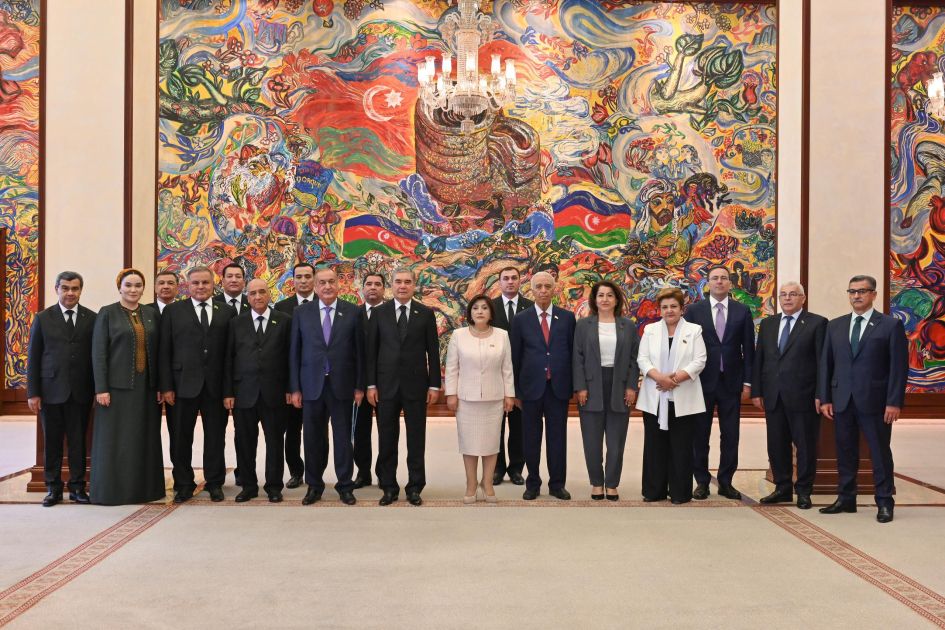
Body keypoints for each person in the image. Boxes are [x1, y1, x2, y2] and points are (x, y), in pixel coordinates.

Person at [819, 275, 908, 524]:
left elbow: (899, 368)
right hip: (842, 400)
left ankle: (884, 502)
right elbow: (826, 365)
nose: (856, 296)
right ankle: (846, 498)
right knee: (845, 452)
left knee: (879, 453)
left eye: (862, 291)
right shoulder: (835, 325)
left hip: (876, 402)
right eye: (852, 291)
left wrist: (894, 402)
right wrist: (825, 398)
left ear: (874, 295)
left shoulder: (890, 325)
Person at [159, 266, 236, 503]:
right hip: (181, 386)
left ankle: (215, 482)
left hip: (215, 387)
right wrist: (166, 386)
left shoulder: (227, 311)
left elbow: (230, 355)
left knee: (215, 437)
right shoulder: (173, 311)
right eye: (196, 283)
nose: (201, 287)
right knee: (180, 437)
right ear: (187, 285)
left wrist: (229, 390)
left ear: (213, 284)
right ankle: (183, 483)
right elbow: (164, 350)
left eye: (205, 282)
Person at [366, 268, 441, 506]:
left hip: (416, 386)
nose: (402, 285)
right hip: (385, 386)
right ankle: (388, 487)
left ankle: (415, 487)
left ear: (414, 285)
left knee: (416, 439)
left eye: (407, 282)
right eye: (398, 281)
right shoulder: (379, 313)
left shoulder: (425, 313)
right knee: (387, 438)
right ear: (392, 285)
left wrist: (435, 385)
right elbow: (371, 352)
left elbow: (433, 352)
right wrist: (371, 384)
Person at [290, 267, 364, 506]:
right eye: (322, 282)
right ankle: (314, 486)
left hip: (342, 386)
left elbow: (360, 353)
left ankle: (345, 486)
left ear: (339, 284)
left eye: (331, 281)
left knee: (343, 439)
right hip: (311, 386)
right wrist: (295, 388)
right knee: (312, 439)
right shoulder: (301, 312)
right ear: (315, 286)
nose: (327, 286)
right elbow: (294, 352)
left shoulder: (353, 312)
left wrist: (359, 386)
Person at [90, 269, 165, 505]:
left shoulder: (151, 313)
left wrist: (160, 385)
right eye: (128, 285)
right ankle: (113, 492)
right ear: (119, 287)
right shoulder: (107, 313)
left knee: (143, 438)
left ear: (144, 288)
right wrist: (101, 388)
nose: (133, 290)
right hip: (116, 390)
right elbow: (99, 353)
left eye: (138, 285)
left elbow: (160, 352)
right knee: (116, 442)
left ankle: (145, 490)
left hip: (146, 389)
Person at [751, 282, 827, 509]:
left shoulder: (817, 323)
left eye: (793, 294)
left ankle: (803, 491)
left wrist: (821, 394)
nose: (787, 298)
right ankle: (782, 488)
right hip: (773, 395)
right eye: (783, 294)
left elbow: (823, 362)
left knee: (805, 446)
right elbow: (760, 359)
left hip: (804, 396)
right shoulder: (768, 324)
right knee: (776, 445)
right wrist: (757, 391)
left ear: (803, 298)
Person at [26, 271, 96, 507]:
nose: (70, 293)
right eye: (65, 288)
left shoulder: (92, 318)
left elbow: (96, 357)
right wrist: (33, 392)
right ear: (56, 289)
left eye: (75, 288)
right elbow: (34, 357)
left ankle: (77, 487)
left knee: (78, 442)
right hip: (50, 391)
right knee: (53, 443)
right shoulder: (43, 318)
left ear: (80, 290)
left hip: (81, 391)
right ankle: (53, 488)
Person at [685, 264, 754, 500]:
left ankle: (726, 481)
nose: (719, 282)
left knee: (731, 435)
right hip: (701, 381)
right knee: (699, 435)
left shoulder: (742, 310)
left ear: (730, 282)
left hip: (731, 383)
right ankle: (701, 482)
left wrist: (748, 382)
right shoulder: (694, 311)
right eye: (715, 278)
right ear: (708, 283)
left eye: (724, 278)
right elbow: (686, 347)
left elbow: (749, 349)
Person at [636, 287, 707, 504]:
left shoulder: (694, 330)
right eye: (665, 307)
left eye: (673, 306)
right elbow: (642, 359)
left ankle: (679, 492)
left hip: (683, 395)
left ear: (682, 309)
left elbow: (700, 360)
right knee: (654, 445)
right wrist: (660, 378)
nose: (669, 310)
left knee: (681, 446)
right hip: (655, 396)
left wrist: (674, 380)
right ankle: (654, 490)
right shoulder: (650, 330)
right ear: (660, 310)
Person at [510, 271, 576, 501]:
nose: (543, 290)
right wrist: (515, 391)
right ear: (531, 290)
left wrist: (574, 386)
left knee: (557, 438)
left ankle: (557, 484)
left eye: (548, 286)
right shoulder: (521, 319)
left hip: (558, 388)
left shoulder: (567, 318)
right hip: (530, 389)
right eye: (538, 286)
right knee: (531, 438)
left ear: (554, 289)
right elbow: (515, 357)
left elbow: (572, 354)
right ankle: (533, 483)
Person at [224, 279, 291, 503]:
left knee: (275, 442)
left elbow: (290, 357)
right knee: (245, 442)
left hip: (275, 392)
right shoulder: (236, 323)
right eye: (253, 293)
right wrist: (228, 392)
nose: (258, 297)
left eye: (262, 292)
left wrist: (290, 388)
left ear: (269, 294)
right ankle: (249, 486)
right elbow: (229, 358)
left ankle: (274, 486)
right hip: (244, 392)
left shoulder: (284, 320)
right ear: (247, 297)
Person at [573, 281, 639, 501]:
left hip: (620, 386)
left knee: (616, 441)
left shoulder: (628, 325)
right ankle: (596, 483)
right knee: (592, 441)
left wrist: (631, 386)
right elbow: (577, 358)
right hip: (591, 387)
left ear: (617, 299)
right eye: (601, 295)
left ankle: (611, 484)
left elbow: (634, 359)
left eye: (610, 295)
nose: (605, 299)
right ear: (594, 299)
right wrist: (580, 387)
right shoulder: (583, 325)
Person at [445, 295, 514, 503]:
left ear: (491, 313)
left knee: (491, 444)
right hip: (466, 399)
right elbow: (452, 367)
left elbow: (507, 368)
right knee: (469, 444)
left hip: (494, 399)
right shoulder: (459, 335)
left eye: (484, 308)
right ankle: (471, 483)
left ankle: (488, 483)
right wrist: (451, 394)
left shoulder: (502, 335)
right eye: (475, 308)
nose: (480, 311)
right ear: (470, 313)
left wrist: (509, 394)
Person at [274, 262, 318, 489]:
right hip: (292, 380)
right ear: (293, 280)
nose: (303, 281)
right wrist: (288, 386)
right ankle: (296, 471)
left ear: (314, 279)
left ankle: (315, 472)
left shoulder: (325, 303)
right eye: (299, 277)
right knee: (292, 430)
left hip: (318, 379)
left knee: (317, 430)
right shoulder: (281, 307)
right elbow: (281, 349)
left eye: (307, 276)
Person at [489, 266, 532, 486]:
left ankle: (516, 469)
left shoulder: (531, 307)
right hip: (495, 376)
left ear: (520, 280)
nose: (510, 281)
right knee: (495, 426)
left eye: (514, 278)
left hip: (523, 377)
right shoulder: (489, 307)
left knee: (519, 428)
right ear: (499, 282)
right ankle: (497, 469)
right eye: (505, 278)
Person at [353, 272, 386, 488]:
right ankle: (363, 473)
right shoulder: (353, 314)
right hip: (359, 383)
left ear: (384, 288)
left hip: (385, 383)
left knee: (386, 431)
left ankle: (384, 473)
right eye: (369, 284)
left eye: (377, 284)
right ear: (362, 288)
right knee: (360, 431)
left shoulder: (391, 313)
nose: (373, 287)